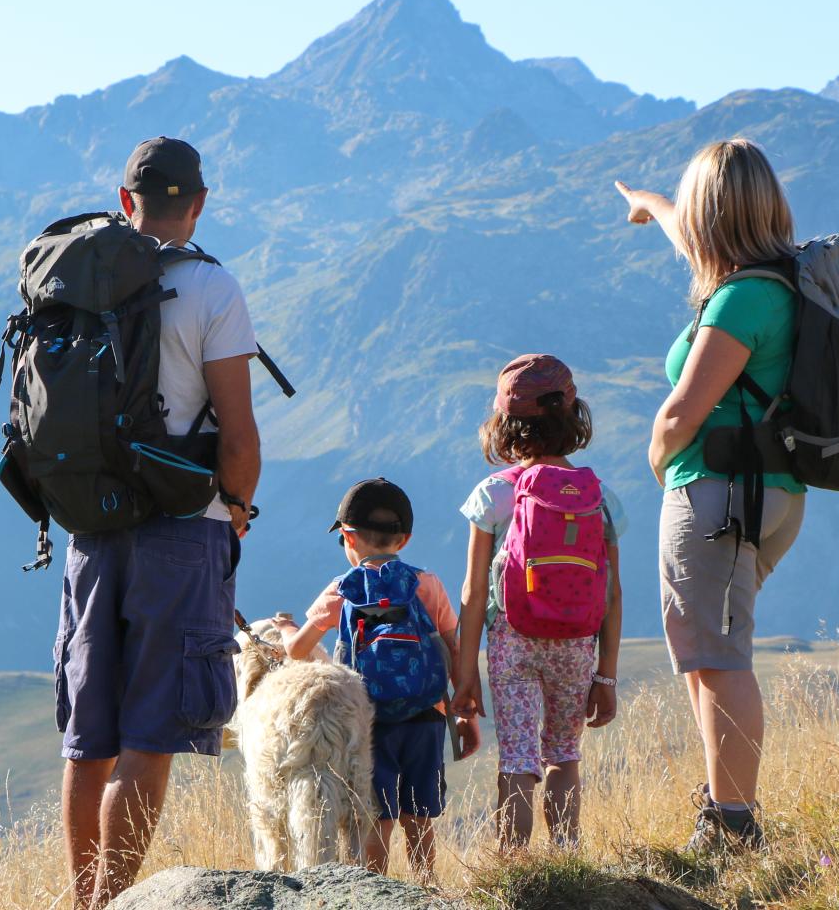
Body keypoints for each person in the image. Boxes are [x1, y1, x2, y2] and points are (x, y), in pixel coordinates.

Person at [57, 137, 262, 908]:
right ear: (199, 203)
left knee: (89, 739)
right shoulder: (212, 288)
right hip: (183, 525)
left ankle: (84, 901)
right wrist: (236, 509)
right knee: (151, 733)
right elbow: (238, 435)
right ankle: (118, 901)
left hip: (90, 526)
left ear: (124, 200)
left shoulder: (78, 281)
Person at [614, 138, 806, 852]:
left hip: (718, 492)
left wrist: (659, 461)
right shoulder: (783, 282)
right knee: (705, 650)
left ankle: (733, 826)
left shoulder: (739, 298)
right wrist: (652, 205)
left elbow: (681, 413)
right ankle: (723, 808)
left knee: (719, 658)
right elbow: (688, 238)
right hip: (771, 492)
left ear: (712, 214)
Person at [450, 354, 625, 849]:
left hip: (513, 640)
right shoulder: (598, 497)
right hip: (576, 643)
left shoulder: (493, 494)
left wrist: (465, 673)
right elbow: (612, 592)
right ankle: (566, 859)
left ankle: (515, 867)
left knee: (518, 759)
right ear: (573, 416)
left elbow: (473, 592)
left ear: (504, 424)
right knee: (564, 754)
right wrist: (606, 676)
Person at [278, 479, 478, 880]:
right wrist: (464, 712)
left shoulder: (343, 590)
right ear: (404, 539)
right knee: (419, 816)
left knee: (375, 816)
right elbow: (454, 651)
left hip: (367, 720)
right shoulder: (426, 584)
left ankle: (377, 892)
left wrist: (286, 628)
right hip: (427, 714)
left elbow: (297, 651)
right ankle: (426, 887)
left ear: (348, 537)